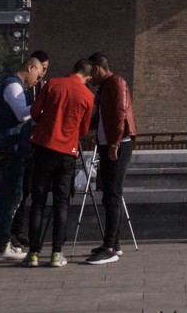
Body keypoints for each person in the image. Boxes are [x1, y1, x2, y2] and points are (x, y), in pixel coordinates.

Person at [20, 58, 95, 268]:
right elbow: (83, 129)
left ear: (72, 69)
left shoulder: (52, 84)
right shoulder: (88, 96)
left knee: (38, 202)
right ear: (88, 77)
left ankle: (33, 253)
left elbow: (34, 112)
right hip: (66, 153)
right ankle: (56, 253)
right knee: (62, 203)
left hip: (43, 148)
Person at [0, 55, 43, 262]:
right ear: (30, 67)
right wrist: (42, 106)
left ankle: (2, 241)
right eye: (38, 73)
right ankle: (1, 245)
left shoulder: (15, 86)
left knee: (10, 196)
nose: (38, 79)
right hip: (7, 150)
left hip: (9, 149)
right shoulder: (14, 86)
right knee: (9, 198)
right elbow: (21, 113)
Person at [84, 52, 136, 264]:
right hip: (109, 145)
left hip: (118, 145)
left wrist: (114, 143)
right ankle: (114, 242)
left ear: (97, 68)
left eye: (90, 73)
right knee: (109, 195)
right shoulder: (105, 86)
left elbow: (119, 113)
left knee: (113, 195)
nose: (90, 78)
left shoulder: (116, 83)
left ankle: (109, 247)